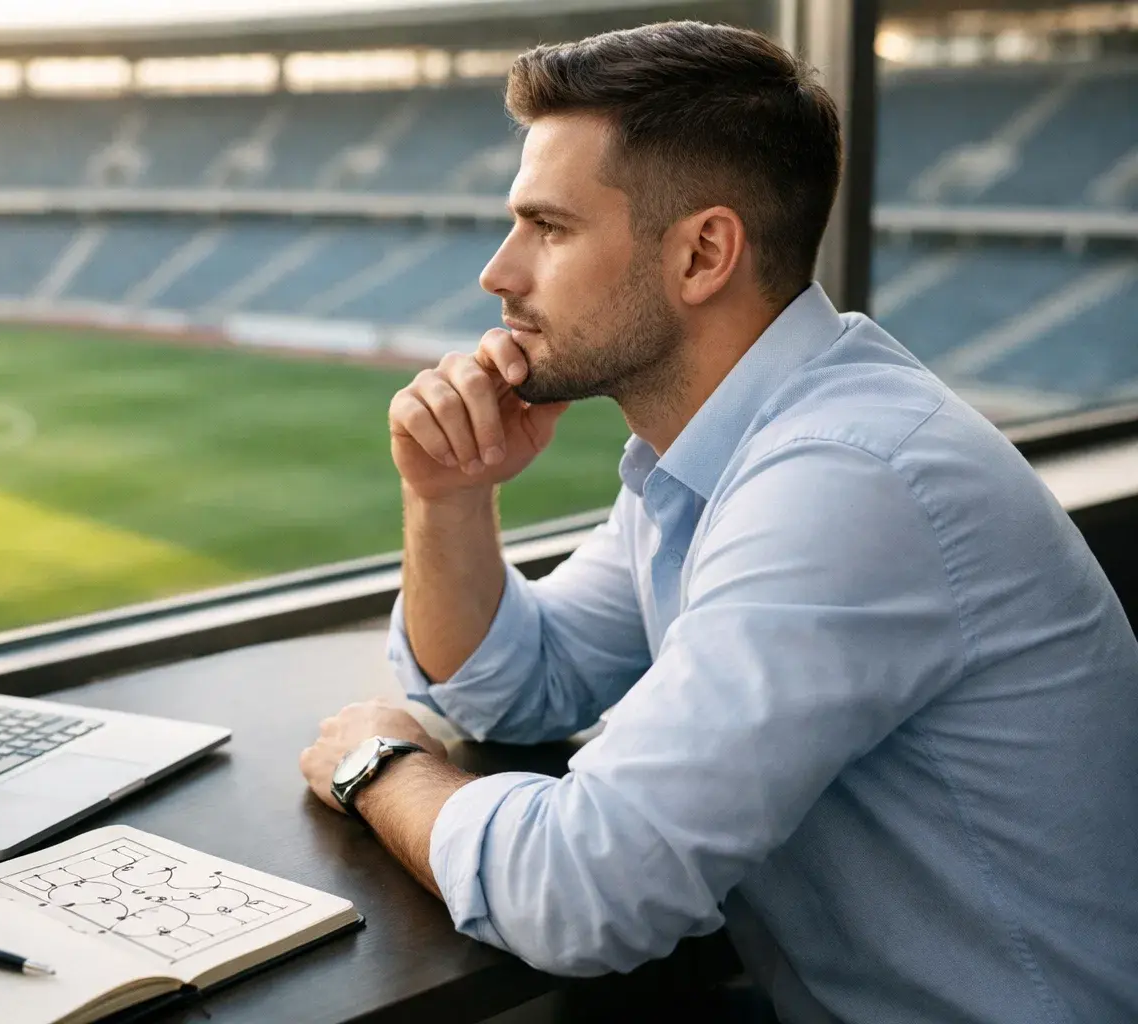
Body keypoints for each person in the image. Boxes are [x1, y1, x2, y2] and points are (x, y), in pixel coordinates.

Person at [297, 20, 1138, 1024]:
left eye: (548, 227)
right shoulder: (723, 449)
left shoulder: (844, 482)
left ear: (703, 253)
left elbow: (585, 891)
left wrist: (380, 766)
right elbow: (518, 683)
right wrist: (448, 498)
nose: (499, 271)